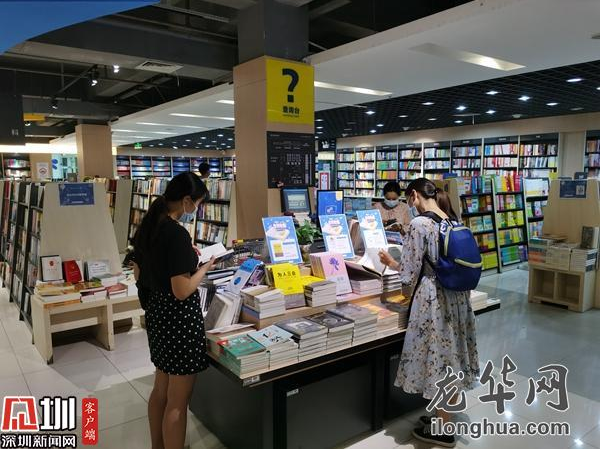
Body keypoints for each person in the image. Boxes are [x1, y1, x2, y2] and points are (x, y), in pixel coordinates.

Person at [378, 178, 479, 448]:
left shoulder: (419, 224)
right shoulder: (450, 219)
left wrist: (392, 264)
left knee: (439, 360)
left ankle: (443, 429)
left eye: (407, 199)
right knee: (451, 356)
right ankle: (442, 417)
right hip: (456, 297)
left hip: (433, 298)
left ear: (413, 195)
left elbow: (409, 272)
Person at [133, 172, 215, 449]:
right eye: (198, 204)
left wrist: (184, 255)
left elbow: (139, 272)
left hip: (157, 315)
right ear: (186, 200)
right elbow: (182, 290)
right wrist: (205, 267)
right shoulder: (176, 233)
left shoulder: (150, 225)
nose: (197, 209)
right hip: (179, 322)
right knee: (178, 402)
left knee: (161, 390)